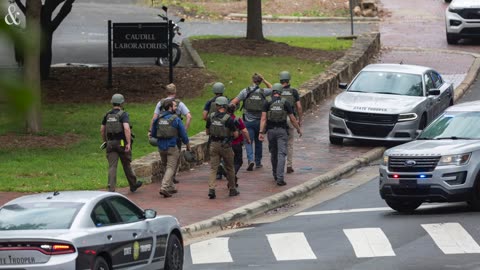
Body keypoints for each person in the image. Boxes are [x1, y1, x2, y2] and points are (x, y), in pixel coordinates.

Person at [259, 83, 302, 186]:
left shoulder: (267, 102)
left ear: (273, 91)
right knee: (281, 154)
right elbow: (292, 118)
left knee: (273, 153)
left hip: (271, 131)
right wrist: (298, 129)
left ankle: (275, 173)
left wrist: (261, 132)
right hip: (282, 131)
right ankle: (280, 178)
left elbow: (263, 118)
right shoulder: (285, 102)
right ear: (280, 92)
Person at [149, 83, 192, 184]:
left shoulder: (160, 103)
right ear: (175, 92)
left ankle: (168, 180)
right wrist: (184, 129)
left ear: (166, 92)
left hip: (162, 136)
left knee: (165, 160)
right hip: (175, 136)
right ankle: (170, 178)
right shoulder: (179, 103)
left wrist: (150, 131)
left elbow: (154, 118)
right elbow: (189, 116)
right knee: (174, 157)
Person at [101, 93, 143, 192]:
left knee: (112, 166)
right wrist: (128, 143)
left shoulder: (107, 115)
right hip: (122, 143)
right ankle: (133, 184)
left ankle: (111, 189)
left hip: (110, 143)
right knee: (126, 164)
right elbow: (126, 128)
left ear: (112, 102)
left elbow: (102, 130)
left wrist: (105, 141)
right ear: (122, 103)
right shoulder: (123, 114)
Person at [230, 73, 272, 171]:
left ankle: (250, 160)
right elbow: (273, 89)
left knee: (248, 141)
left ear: (252, 80)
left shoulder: (245, 91)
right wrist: (265, 80)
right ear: (260, 81)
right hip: (260, 121)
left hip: (247, 121)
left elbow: (233, 102)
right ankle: (258, 162)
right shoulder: (263, 91)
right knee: (259, 141)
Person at [151, 99, 190, 198]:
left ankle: (171, 186)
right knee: (171, 168)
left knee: (166, 166)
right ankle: (164, 187)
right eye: (174, 106)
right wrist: (187, 144)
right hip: (172, 146)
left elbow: (153, 134)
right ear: (169, 107)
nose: (176, 108)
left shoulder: (158, 119)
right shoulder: (176, 119)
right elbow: (183, 134)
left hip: (161, 147)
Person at [206, 96, 239, 199]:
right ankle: (232, 189)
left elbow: (207, 131)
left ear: (216, 106)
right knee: (230, 167)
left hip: (213, 144)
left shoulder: (211, 117)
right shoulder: (228, 119)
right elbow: (236, 134)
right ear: (226, 106)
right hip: (225, 145)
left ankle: (211, 189)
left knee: (213, 168)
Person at [203, 82, 228, 180]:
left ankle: (218, 172)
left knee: (214, 152)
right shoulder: (226, 100)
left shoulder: (209, 102)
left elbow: (204, 116)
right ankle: (223, 164)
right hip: (225, 129)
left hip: (213, 130)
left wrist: (212, 120)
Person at [279, 71, 303, 174]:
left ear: (280, 80)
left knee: (280, 143)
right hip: (290, 119)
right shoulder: (293, 91)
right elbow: (299, 107)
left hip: (279, 119)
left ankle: (279, 164)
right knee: (289, 143)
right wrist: (299, 120)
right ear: (289, 80)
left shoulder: (277, 91)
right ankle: (289, 165)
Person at [227, 103, 251, 186]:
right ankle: (232, 177)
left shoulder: (223, 119)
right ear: (234, 110)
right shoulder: (237, 119)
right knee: (238, 162)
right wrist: (248, 139)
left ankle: (232, 179)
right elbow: (244, 130)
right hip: (236, 143)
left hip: (226, 144)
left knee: (229, 162)